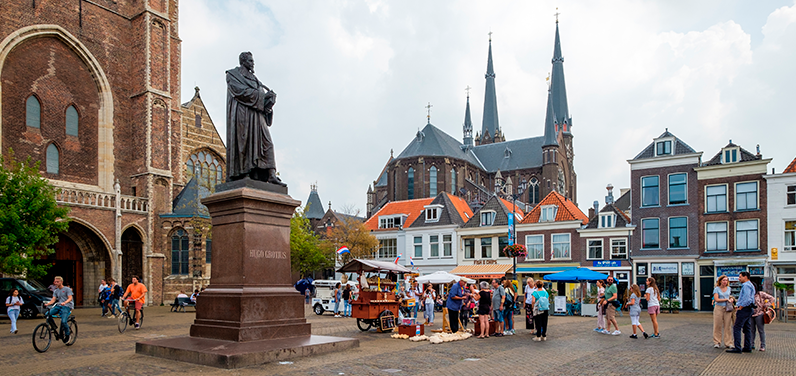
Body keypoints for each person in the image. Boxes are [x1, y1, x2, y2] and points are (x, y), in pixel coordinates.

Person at [727, 271, 756, 353]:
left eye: (740, 277)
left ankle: (737, 347)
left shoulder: (746, 285)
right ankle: (747, 346)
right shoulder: (751, 285)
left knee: (737, 327)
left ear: (745, 277)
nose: (739, 279)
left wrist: (741, 307)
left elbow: (747, 298)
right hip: (749, 309)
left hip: (744, 309)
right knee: (747, 328)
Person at [45, 276, 73, 342]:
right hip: (59, 305)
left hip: (67, 306)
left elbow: (70, 298)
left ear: (61, 282)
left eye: (58, 282)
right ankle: (54, 327)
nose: (56, 283)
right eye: (55, 282)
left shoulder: (67, 289)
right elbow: (53, 299)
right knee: (47, 314)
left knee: (63, 321)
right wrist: (48, 304)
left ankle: (67, 334)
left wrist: (65, 302)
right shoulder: (56, 291)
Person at [751, 282, 774, 352]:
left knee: (761, 330)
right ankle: (751, 344)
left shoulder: (760, 294)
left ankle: (762, 345)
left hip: (759, 314)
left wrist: (766, 305)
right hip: (750, 314)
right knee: (752, 330)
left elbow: (772, 298)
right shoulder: (748, 294)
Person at [712, 275, 734, 348]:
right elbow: (716, 299)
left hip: (727, 308)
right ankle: (717, 342)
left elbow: (730, 296)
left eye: (726, 280)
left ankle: (728, 343)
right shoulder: (717, 289)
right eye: (724, 280)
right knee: (717, 325)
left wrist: (731, 299)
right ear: (720, 281)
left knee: (727, 325)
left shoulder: (729, 289)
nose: (725, 282)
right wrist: (726, 299)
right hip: (719, 308)